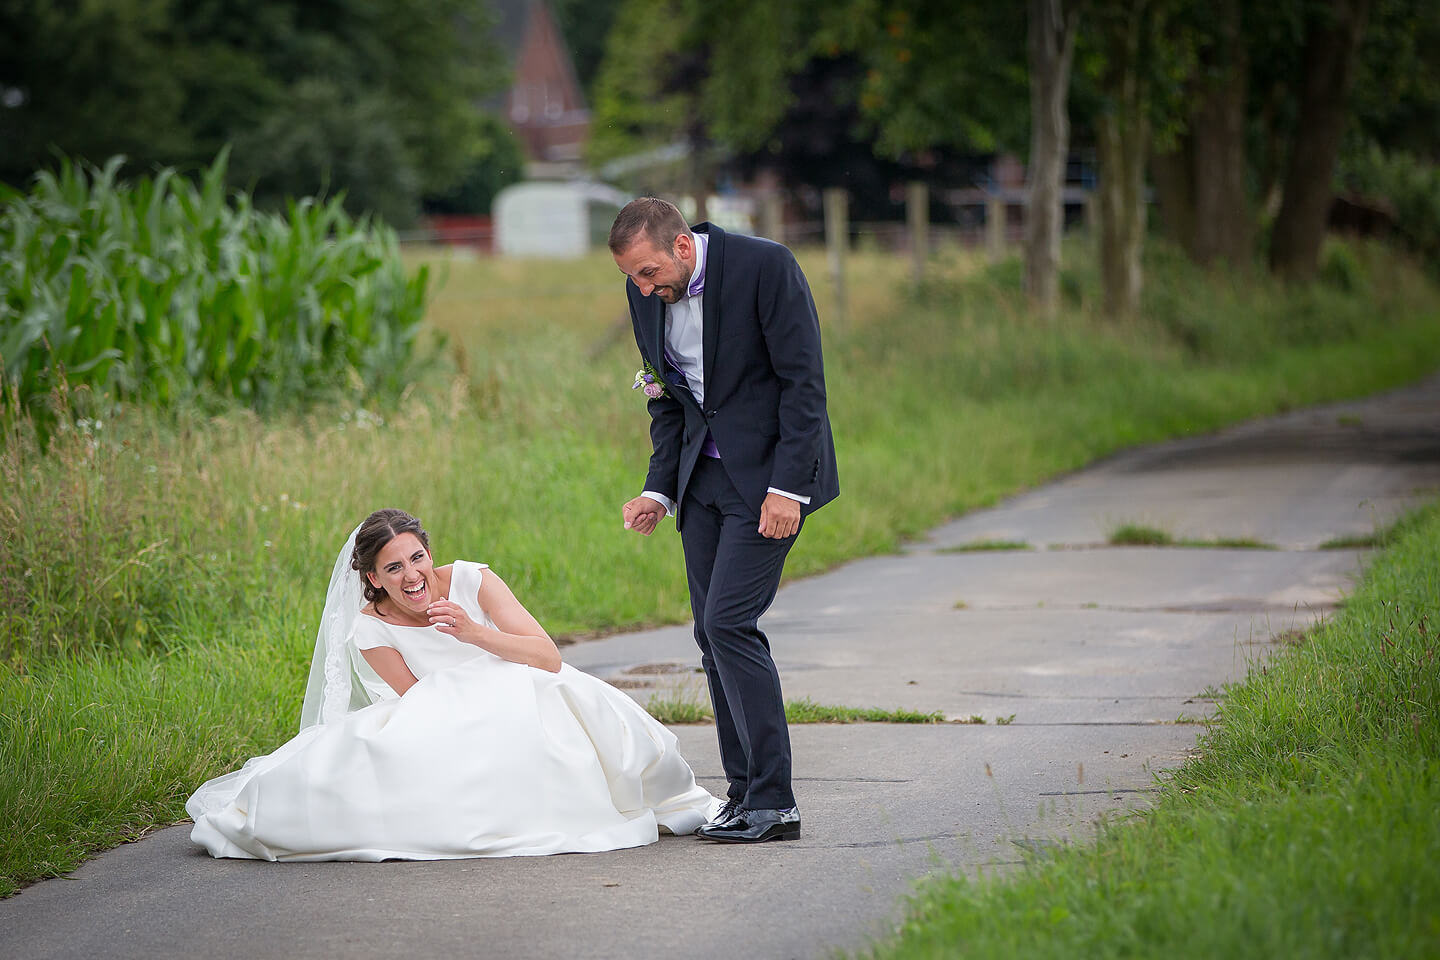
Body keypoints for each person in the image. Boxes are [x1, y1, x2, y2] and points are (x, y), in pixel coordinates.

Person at [186, 508, 719, 861]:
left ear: (429, 553)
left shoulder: (473, 580)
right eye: (392, 568)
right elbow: (419, 704)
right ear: (373, 579)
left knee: (559, 696)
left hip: (516, 680)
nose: (411, 575)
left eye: (417, 557)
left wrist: (472, 632)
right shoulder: (371, 629)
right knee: (342, 779)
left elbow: (547, 658)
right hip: (442, 714)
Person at [609, 198, 839, 844]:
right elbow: (667, 400)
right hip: (701, 482)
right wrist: (659, 490)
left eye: (649, 273)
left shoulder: (767, 268)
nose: (643, 289)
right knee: (710, 639)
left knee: (729, 623)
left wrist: (788, 488)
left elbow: (804, 385)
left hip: (769, 482)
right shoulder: (645, 295)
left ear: (683, 247)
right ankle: (743, 796)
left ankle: (776, 801)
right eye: (632, 279)